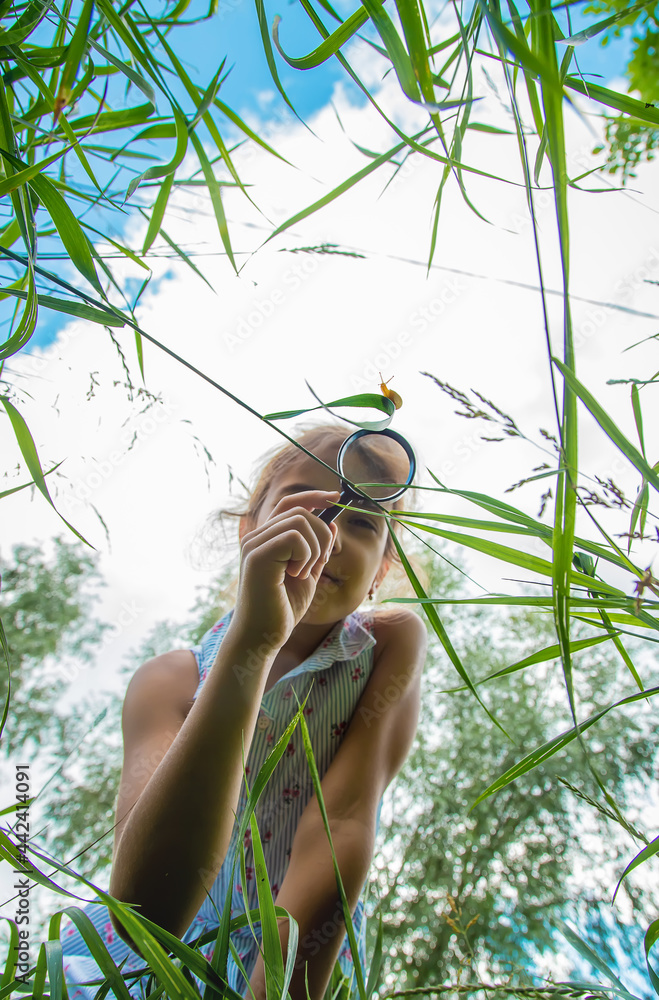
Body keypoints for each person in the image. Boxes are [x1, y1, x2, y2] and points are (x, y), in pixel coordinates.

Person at [61, 423, 427, 1000]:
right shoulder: (169, 679)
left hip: (299, 958)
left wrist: (277, 990)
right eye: (306, 502)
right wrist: (255, 641)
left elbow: (344, 820)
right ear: (248, 530)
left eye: (362, 522)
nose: (329, 533)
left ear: (382, 570)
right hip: (135, 968)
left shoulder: (386, 646)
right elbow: (145, 913)